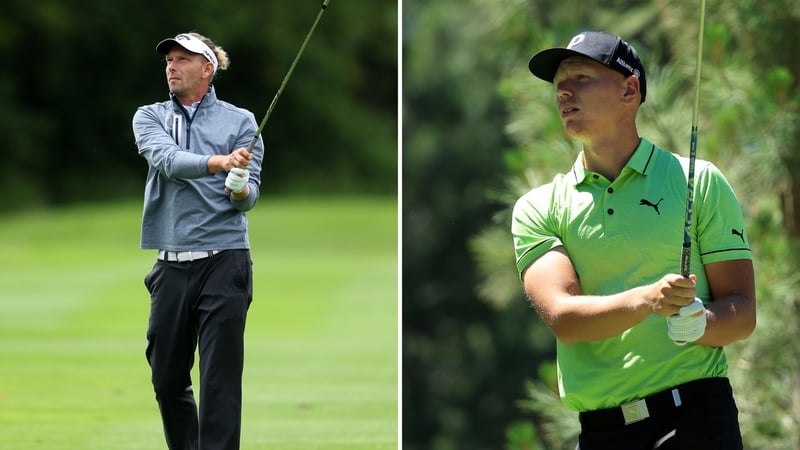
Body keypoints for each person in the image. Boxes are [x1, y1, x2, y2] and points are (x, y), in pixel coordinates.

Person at [511, 31, 756, 449]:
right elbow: (564, 318)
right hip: (601, 433)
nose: (564, 92)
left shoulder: (699, 180)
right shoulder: (538, 207)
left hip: (695, 417)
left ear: (629, 89)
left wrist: (702, 324)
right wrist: (648, 301)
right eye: (559, 85)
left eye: (582, 78)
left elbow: (743, 311)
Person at [132, 32, 264, 449]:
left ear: (207, 68)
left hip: (225, 261)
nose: (172, 66)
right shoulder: (148, 116)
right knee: (167, 379)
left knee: (219, 382)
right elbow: (168, 161)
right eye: (169, 60)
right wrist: (220, 162)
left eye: (182, 59)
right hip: (171, 264)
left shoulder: (240, 121)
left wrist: (240, 186)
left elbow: (248, 199)